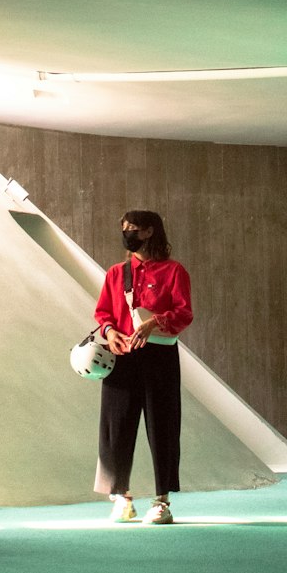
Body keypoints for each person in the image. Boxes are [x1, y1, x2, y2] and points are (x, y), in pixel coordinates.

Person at [93, 210, 193, 524]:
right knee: (116, 427)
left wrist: (155, 322)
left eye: (133, 228)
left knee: (162, 426)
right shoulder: (116, 273)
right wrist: (110, 333)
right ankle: (121, 498)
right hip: (121, 357)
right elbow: (103, 313)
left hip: (159, 357)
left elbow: (184, 312)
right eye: (124, 228)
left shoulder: (174, 271)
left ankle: (162, 501)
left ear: (150, 232)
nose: (127, 233)